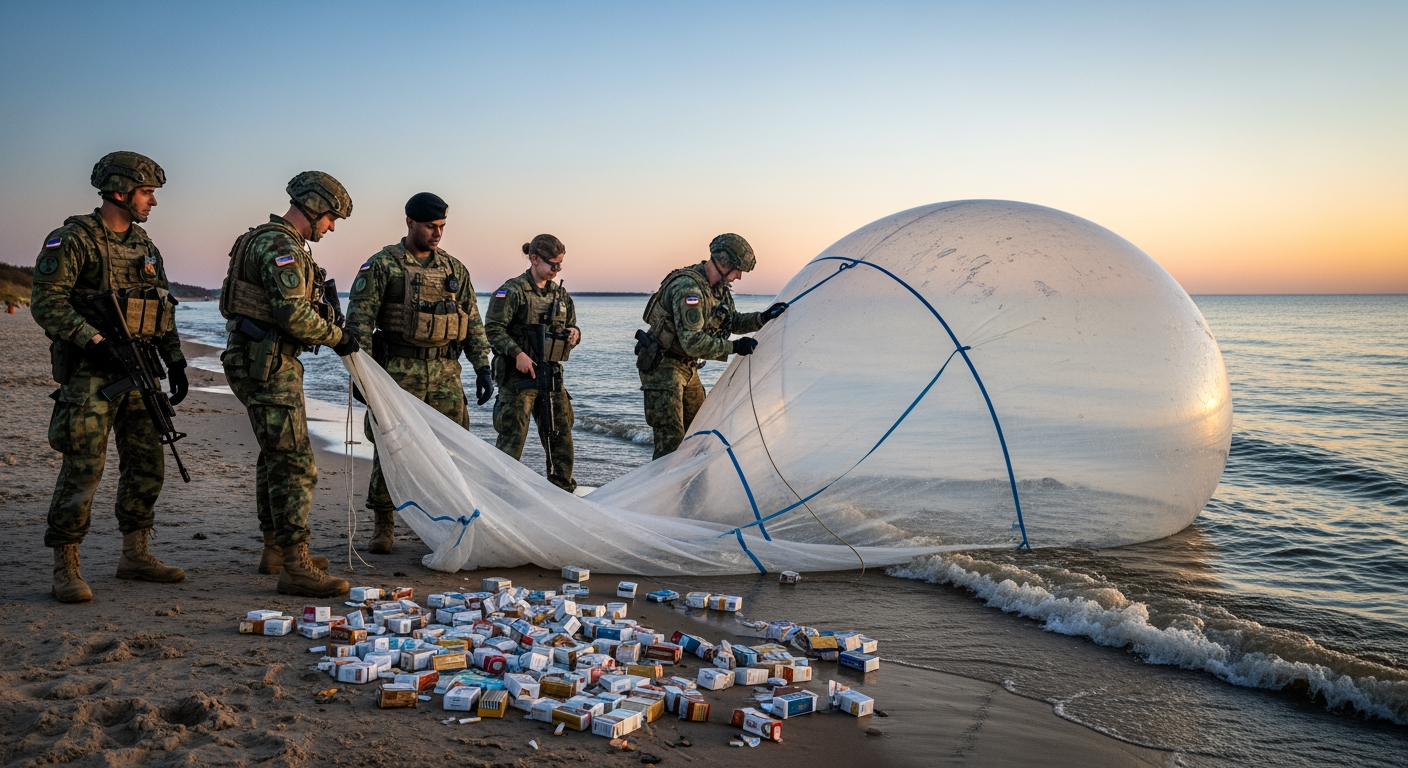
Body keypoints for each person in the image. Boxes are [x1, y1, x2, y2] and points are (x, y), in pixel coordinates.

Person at [31, 151, 188, 603]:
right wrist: (97, 342)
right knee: (84, 468)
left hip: (139, 370)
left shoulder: (145, 247)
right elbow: (48, 303)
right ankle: (66, 565)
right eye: (147, 192)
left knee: (147, 464)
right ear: (119, 191)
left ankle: (134, 555)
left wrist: (174, 359)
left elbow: (161, 307)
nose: (153, 202)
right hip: (90, 375)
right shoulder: (74, 238)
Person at [219, 171, 358, 597]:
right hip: (268, 362)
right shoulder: (281, 246)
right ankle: (295, 565)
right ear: (314, 207)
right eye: (331, 217)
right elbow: (294, 315)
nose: (331, 227)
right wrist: (339, 337)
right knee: (296, 463)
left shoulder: (258, 238)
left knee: (274, 457)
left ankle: (276, 551)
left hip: (254, 358)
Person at [345, 192, 492, 553]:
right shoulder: (382, 266)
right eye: (430, 226)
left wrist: (483, 366)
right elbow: (359, 324)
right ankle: (384, 520)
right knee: (390, 445)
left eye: (442, 226)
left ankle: (454, 519)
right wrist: (361, 376)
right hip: (397, 371)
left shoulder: (455, 269)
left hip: (445, 371)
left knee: (454, 446)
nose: (437, 233)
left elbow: (471, 321)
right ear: (410, 222)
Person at [636, 233, 787, 458]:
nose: (739, 276)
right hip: (664, 367)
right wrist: (734, 348)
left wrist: (762, 318)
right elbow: (692, 341)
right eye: (737, 269)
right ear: (724, 262)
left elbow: (732, 320)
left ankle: (691, 492)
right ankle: (662, 492)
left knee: (700, 437)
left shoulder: (718, 289)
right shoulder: (689, 288)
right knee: (671, 445)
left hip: (687, 367)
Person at [485, 235, 580, 491]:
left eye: (560, 264)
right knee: (512, 439)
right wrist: (517, 354)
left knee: (560, 436)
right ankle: (499, 493)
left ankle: (563, 492)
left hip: (551, 375)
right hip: (519, 379)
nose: (557, 270)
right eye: (553, 264)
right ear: (534, 259)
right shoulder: (513, 291)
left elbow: (572, 323)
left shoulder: (560, 294)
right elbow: (493, 329)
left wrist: (575, 334)